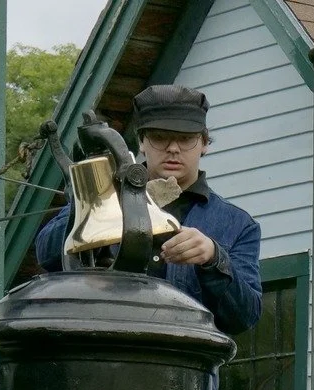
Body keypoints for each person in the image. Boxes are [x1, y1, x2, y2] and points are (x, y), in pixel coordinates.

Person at [36, 85, 262, 335]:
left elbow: (245, 317)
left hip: (182, 356)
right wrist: (108, 200)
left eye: (186, 139)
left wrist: (213, 257)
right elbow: (47, 254)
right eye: (160, 137)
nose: (173, 148)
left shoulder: (238, 224)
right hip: (104, 347)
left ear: (204, 143)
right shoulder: (106, 196)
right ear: (142, 142)